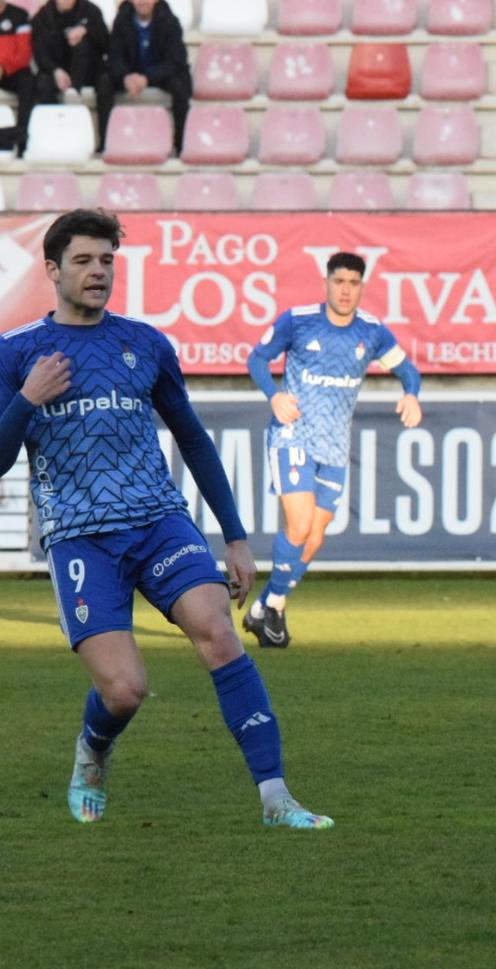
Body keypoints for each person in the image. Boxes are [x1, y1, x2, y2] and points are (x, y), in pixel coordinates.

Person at [0, 210, 332, 830]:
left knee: (219, 634)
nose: (98, 271)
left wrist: (235, 537)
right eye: (83, 260)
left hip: (160, 522)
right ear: (52, 270)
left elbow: (194, 439)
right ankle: (93, 750)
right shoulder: (17, 354)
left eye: (107, 260)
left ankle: (276, 797)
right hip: (81, 539)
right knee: (125, 690)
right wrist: (27, 399)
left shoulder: (145, 344)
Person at [243, 252, 423, 649]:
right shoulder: (299, 320)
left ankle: (268, 606)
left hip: (335, 446)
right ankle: (272, 610)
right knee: (301, 523)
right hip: (293, 436)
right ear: (326, 282)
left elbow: (409, 369)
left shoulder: (372, 332)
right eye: (338, 281)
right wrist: (274, 396)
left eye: (353, 283)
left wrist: (411, 394)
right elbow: (257, 358)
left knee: (316, 537)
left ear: (361, 286)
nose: (345, 290)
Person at [30, 0, 113, 154]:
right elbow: (40, 54)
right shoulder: (43, 17)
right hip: (58, 72)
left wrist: (87, 30)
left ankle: (106, 143)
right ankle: (53, 140)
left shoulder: (91, 11)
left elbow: (106, 45)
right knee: (42, 84)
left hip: (89, 70)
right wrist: (56, 71)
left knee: (106, 82)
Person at [109, 0, 190, 156]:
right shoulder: (122, 20)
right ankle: (105, 143)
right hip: (131, 74)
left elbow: (176, 61)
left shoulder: (170, 21)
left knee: (180, 85)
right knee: (105, 81)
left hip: (159, 74)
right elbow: (114, 56)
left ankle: (181, 145)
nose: (142, 1)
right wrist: (125, 77)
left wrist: (147, 78)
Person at [0, 3, 36, 155]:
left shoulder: (19, 15)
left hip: (12, 72)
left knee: (28, 82)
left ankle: (22, 142)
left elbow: (24, 54)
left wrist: (4, 68)